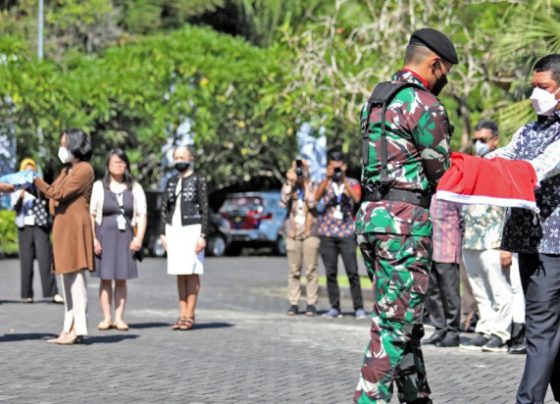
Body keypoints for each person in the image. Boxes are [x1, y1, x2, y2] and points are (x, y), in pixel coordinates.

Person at [354, 28, 457, 403]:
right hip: (404, 223)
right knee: (394, 325)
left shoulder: (375, 101)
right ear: (434, 64)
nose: (443, 79)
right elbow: (441, 171)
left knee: (405, 322)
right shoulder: (422, 103)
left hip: (371, 217)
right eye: (443, 71)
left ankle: (417, 397)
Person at [485, 54, 560, 403]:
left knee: (540, 327)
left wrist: (509, 168)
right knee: (544, 324)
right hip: (526, 239)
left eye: (543, 87)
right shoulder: (529, 129)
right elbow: (505, 153)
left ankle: (527, 400)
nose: (535, 94)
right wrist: (476, 165)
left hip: (552, 242)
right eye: (533, 86)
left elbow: (542, 167)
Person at [34, 129, 95, 345]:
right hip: (62, 226)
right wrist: (48, 190)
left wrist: (36, 181)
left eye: (65, 144)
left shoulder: (84, 169)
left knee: (76, 280)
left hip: (75, 227)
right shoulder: (67, 170)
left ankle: (79, 328)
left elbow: (57, 193)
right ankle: (67, 326)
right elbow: (54, 194)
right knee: (65, 279)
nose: (62, 149)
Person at [459, 120, 515, 353]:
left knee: (498, 289)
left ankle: (500, 334)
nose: (478, 144)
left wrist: (507, 244)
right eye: (475, 140)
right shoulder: (474, 165)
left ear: (495, 141)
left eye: (483, 140)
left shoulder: (504, 166)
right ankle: (485, 328)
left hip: (493, 237)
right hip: (472, 236)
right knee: (479, 289)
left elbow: (511, 206)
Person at [90, 149, 147, 331]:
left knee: (122, 279)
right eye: (115, 162)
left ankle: (119, 317)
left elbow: (142, 214)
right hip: (104, 237)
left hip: (126, 238)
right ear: (108, 165)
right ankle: (106, 317)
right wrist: (93, 239)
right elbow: (91, 214)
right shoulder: (99, 186)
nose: (119, 165)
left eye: (122, 162)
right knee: (105, 279)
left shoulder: (135, 187)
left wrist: (139, 239)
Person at [160, 146, 208, 331]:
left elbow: (204, 208)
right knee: (180, 271)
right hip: (174, 229)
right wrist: (163, 233)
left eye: (183, 156)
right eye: (176, 157)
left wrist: (202, 235)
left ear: (191, 158)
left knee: (193, 271)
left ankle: (190, 314)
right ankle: (182, 314)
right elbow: (164, 208)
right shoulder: (171, 181)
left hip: (192, 228)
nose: (179, 160)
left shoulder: (198, 180)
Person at [315, 150, 365, 319]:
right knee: (330, 272)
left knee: (352, 271)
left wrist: (343, 180)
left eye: (338, 167)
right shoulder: (325, 182)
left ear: (344, 166)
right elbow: (316, 198)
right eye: (332, 167)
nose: (336, 170)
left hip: (347, 232)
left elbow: (357, 199)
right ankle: (334, 307)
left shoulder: (352, 182)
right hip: (328, 233)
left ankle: (358, 307)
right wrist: (328, 178)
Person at [11, 158, 62, 304]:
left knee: (45, 259)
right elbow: (15, 207)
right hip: (25, 226)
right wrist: (21, 194)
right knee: (26, 261)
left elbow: (49, 201)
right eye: (26, 169)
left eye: (31, 169)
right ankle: (27, 294)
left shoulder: (40, 186)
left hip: (40, 225)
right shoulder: (17, 187)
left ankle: (52, 292)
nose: (29, 172)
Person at [281, 159, 320, 317]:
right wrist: (290, 182)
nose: (299, 172)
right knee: (294, 270)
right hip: (293, 233)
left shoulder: (313, 184)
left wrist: (305, 183)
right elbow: (283, 202)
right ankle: (294, 303)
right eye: (297, 169)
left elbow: (313, 204)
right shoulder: (290, 185)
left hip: (310, 232)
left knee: (311, 270)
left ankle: (311, 303)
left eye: (302, 169)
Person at [422, 197, 462, 347]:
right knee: (432, 293)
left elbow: (463, 221)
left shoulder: (454, 196)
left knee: (450, 294)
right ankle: (440, 328)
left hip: (448, 250)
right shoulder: (431, 195)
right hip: (430, 250)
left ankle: (453, 331)